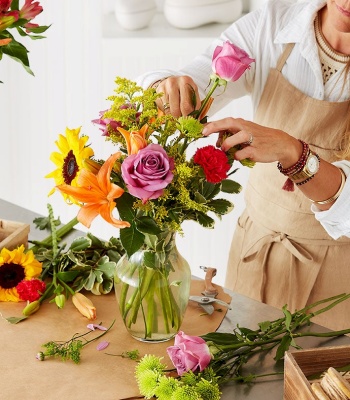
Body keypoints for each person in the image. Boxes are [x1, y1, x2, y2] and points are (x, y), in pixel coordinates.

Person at [136, 0, 350, 331]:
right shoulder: (275, 23)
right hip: (254, 254)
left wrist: (292, 151)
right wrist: (168, 89)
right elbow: (202, 73)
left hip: (339, 279)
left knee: (317, 382)